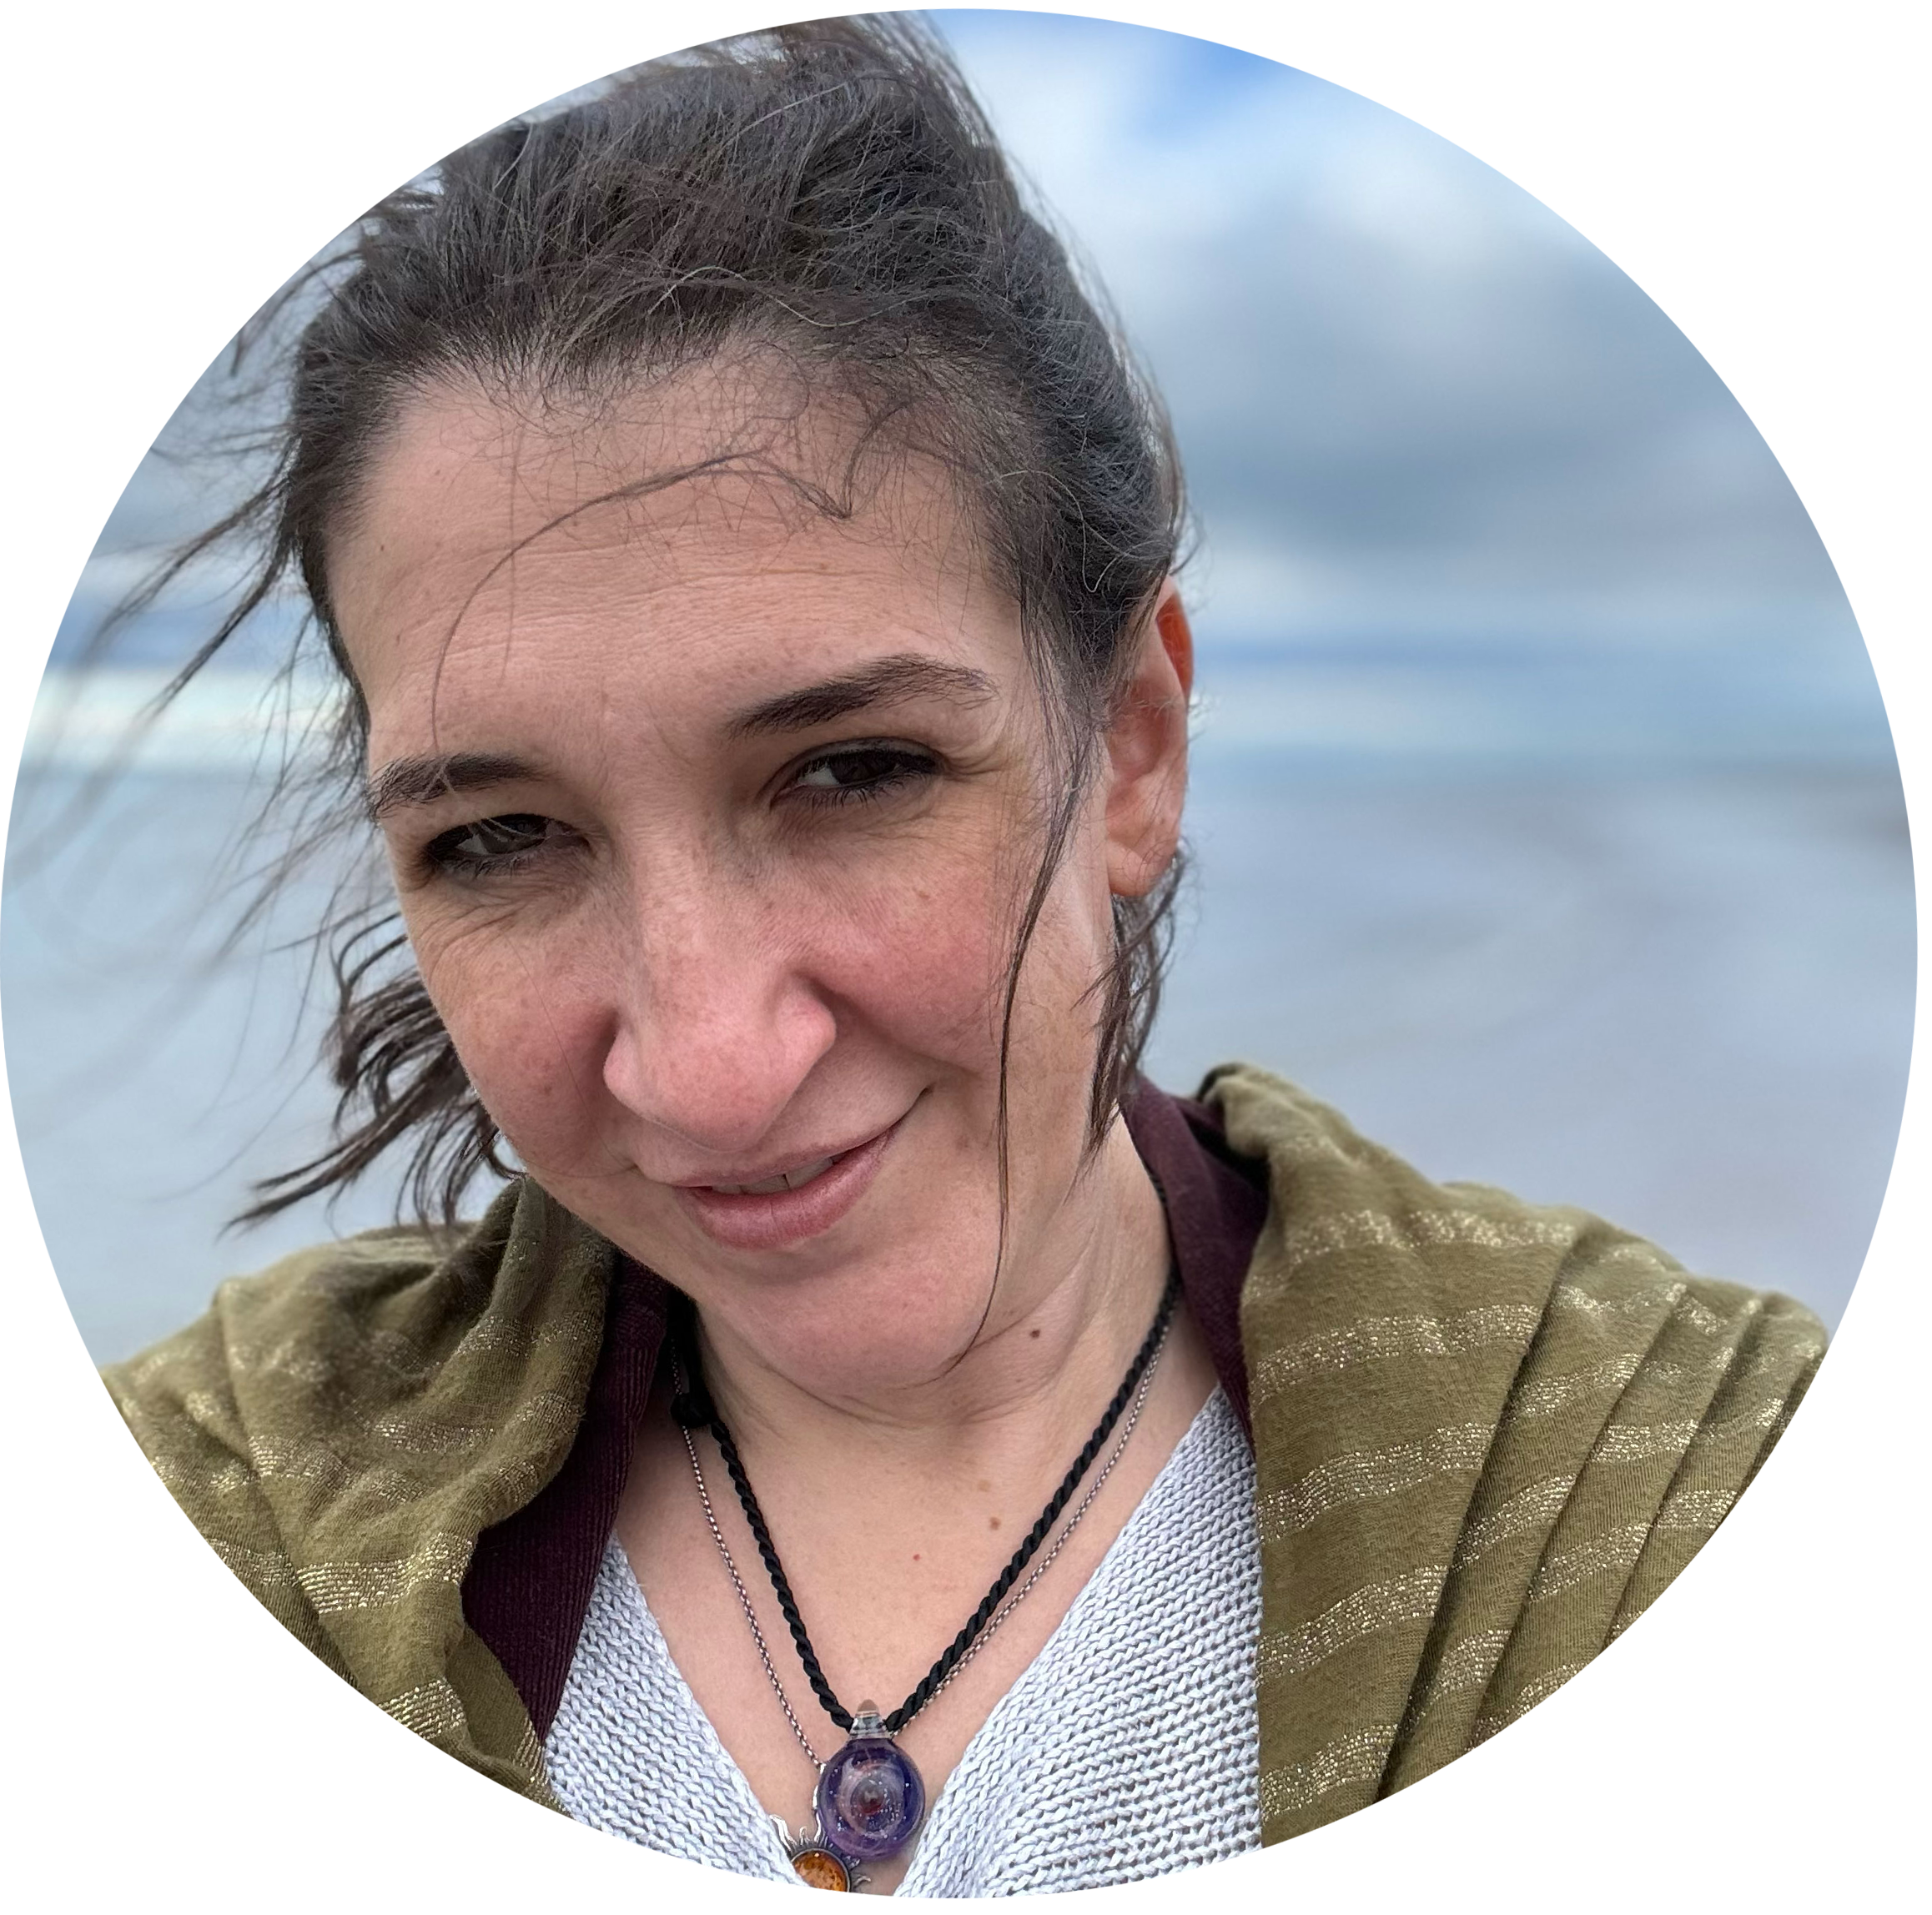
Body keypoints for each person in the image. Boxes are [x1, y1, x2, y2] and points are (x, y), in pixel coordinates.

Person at [50, 13, 1915, 1901]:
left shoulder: (1702, 1529)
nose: (710, 1061)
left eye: (852, 771)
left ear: (1128, 750)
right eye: (503, 838)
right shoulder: (194, 1566)